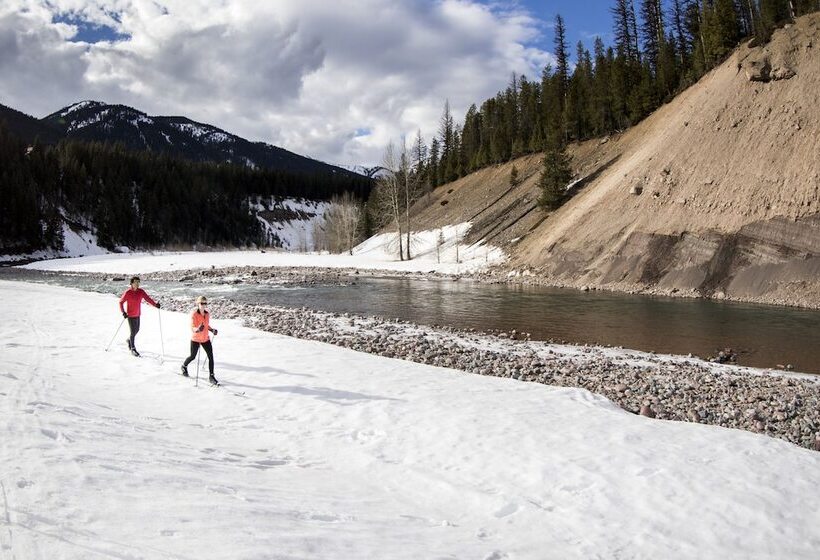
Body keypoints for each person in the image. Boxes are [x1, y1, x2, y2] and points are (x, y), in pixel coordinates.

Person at [181, 295, 219, 385]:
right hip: (196, 339)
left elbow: (206, 325)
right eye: (202, 303)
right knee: (192, 356)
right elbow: (192, 327)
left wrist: (212, 330)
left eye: (205, 303)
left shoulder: (207, 314)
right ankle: (184, 366)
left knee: (211, 356)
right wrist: (198, 329)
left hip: (205, 339)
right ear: (198, 304)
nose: (203, 305)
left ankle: (211, 376)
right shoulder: (194, 314)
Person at [118, 276, 160, 357]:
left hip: (137, 314)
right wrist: (123, 312)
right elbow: (121, 302)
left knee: (137, 330)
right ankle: (133, 348)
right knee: (133, 332)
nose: (137, 284)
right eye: (135, 282)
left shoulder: (141, 291)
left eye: (138, 282)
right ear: (131, 283)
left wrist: (155, 305)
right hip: (130, 315)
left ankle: (129, 340)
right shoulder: (128, 292)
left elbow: (148, 299)